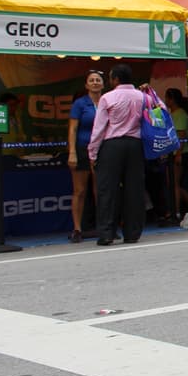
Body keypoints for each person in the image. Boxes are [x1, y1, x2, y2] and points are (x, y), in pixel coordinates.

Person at [88, 64, 144, 246]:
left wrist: (93, 152)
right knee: (134, 189)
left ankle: (106, 233)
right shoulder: (142, 96)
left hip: (112, 145)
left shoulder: (107, 97)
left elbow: (99, 128)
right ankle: (132, 233)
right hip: (135, 144)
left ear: (116, 79)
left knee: (107, 190)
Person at [66, 69, 104, 242]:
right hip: (82, 149)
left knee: (101, 190)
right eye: (92, 80)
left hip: (102, 149)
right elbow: (73, 129)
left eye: (98, 80)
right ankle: (77, 229)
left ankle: (104, 226)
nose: (95, 82)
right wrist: (72, 152)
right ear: (86, 85)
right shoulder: (80, 104)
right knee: (80, 190)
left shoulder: (107, 101)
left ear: (103, 84)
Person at [164, 88, 188, 217]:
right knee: (171, 183)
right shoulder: (172, 114)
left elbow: (181, 135)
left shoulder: (180, 114)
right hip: (172, 153)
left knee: (174, 183)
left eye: (167, 98)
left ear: (172, 99)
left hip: (179, 153)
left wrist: (179, 154)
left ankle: (176, 211)